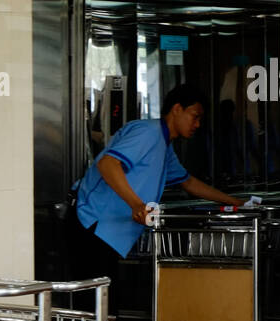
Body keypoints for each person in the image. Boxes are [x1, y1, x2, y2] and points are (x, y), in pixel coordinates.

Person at [69, 84, 250, 285]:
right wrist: (136, 204)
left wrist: (236, 202)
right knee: (95, 306)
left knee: (104, 304)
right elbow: (108, 163)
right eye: (194, 116)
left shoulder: (164, 146)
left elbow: (188, 182)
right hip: (94, 224)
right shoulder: (148, 133)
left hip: (109, 231)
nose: (197, 124)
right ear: (177, 109)